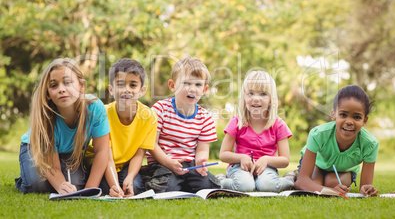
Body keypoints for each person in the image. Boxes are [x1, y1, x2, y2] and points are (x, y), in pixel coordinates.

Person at [15, 58, 110, 194]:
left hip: (68, 152)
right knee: (36, 186)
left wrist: (90, 189)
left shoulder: (95, 108)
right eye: (54, 85)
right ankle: (25, 177)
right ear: (47, 93)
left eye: (67, 82)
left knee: (76, 185)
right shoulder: (46, 116)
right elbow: (52, 164)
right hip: (35, 148)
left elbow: (102, 151)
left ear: (81, 86)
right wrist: (60, 185)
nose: (61, 89)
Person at [142, 57, 220, 193]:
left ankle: (182, 183)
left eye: (198, 85)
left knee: (210, 187)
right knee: (167, 188)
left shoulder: (205, 118)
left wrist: (201, 160)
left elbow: (202, 149)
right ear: (172, 86)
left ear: (204, 90)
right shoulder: (160, 109)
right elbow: (151, 144)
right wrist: (168, 162)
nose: (192, 89)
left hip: (190, 166)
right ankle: (149, 178)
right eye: (186, 83)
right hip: (163, 163)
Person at [85, 58, 157, 197]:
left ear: (142, 90)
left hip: (124, 165)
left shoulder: (149, 117)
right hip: (99, 162)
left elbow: (139, 154)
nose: (126, 90)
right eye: (120, 84)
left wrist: (130, 176)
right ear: (111, 89)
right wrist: (114, 185)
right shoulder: (103, 114)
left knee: (134, 186)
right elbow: (106, 156)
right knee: (108, 188)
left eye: (133, 85)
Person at [294, 85, 379, 197]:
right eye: (343, 115)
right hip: (317, 165)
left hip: (342, 170)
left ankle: (324, 182)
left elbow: (365, 187)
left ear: (365, 120)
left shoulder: (370, 144)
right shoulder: (318, 134)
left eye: (357, 117)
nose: (349, 121)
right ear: (333, 114)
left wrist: (366, 189)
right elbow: (302, 182)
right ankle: (293, 175)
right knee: (314, 185)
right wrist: (331, 191)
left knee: (333, 183)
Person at [219, 70, 295, 192]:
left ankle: (289, 179)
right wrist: (241, 158)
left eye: (263, 94)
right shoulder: (236, 122)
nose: (256, 99)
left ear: (271, 99)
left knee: (267, 186)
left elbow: (285, 160)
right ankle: (221, 180)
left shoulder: (278, 125)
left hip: (267, 167)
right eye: (250, 93)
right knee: (245, 186)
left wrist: (266, 159)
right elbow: (223, 154)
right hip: (240, 167)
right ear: (244, 96)